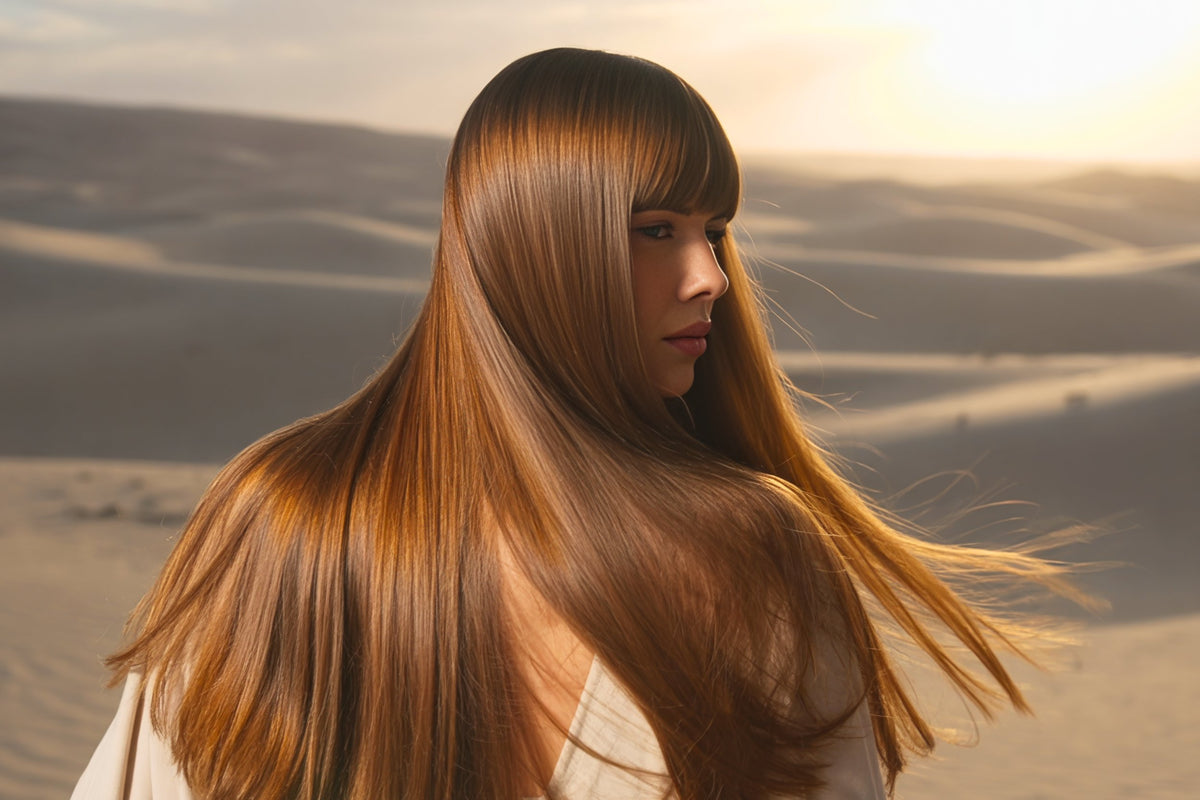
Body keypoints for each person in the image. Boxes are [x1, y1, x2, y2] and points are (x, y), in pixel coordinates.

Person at [73, 48, 1081, 800]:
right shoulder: (745, 547)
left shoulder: (273, 506)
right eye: (656, 231)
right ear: (533, 243)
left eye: (713, 229)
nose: (711, 279)